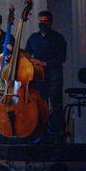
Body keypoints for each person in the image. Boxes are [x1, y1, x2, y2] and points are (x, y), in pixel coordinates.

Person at [25, 10, 67, 141]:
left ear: (51, 22)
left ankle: (57, 134)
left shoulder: (58, 38)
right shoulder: (33, 38)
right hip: (38, 76)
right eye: (40, 21)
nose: (42, 24)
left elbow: (62, 58)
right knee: (40, 104)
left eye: (45, 21)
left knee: (55, 104)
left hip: (54, 74)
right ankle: (41, 133)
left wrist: (44, 63)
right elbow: (27, 54)